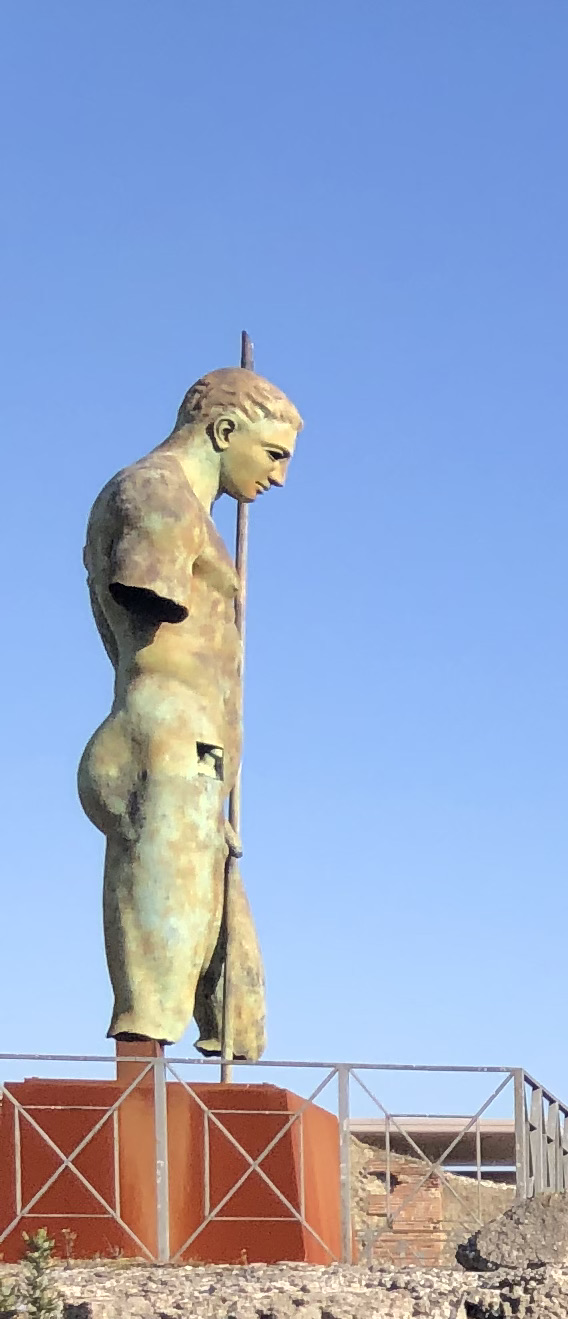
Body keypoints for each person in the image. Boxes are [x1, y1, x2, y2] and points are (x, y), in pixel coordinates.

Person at [80, 366, 300, 1058]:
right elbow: (149, 610)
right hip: (165, 748)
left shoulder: (190, 512)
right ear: (225, 430)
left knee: (230, 982)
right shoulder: (156, 494)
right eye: (274, 455)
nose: (280, 478)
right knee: (157, 981)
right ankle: (136, 1119)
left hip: (193, 758)